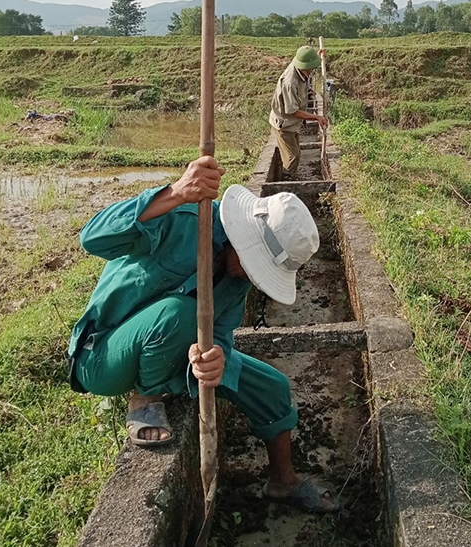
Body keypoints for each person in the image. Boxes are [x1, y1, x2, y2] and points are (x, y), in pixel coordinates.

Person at [67, 156, 339, 513]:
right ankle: (146, 400)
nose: (253, 278)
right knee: (179, 314)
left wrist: (216, 358)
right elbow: (92, 237)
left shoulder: (238, 278)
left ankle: (283, 483)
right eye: (255, 266)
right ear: (243, 240)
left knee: (272, 386)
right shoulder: (184, 221)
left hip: (177, 360)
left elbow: (221, 334)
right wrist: (175, 193)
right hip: (103, 355)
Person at [269, 46, 329, 181]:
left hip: (292, 123)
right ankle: (286, 181)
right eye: (312, 67)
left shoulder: (300, 68)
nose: (313, 69)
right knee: (292, 157)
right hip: (284, 123)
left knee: (296, 153)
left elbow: (306, 66)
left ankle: (291, 175)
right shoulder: (290, 82)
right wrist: (316, 117)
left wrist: (318, 56)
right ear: (306, 68)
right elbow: (292, 111)